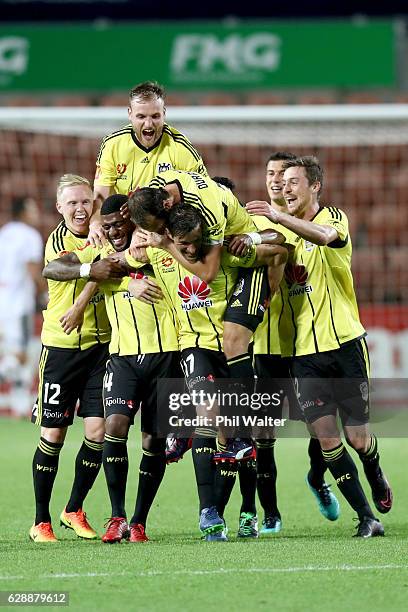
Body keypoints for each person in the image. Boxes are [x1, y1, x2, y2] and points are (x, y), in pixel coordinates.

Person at [247, 156, 392, 538]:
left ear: (315, 187)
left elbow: (326, 237)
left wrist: (278, 219)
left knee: (358, 439)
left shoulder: (334, 218)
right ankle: (366, 518)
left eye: (295, 181)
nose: (285, 187)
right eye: (282, 181)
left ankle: (374, 470)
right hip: (302, 356)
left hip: (345, 345)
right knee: (327, 438)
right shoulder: (281, 235)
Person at [125, 204, 288, 541]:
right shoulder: (157, 255)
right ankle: (208, 511)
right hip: (195, 348)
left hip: (235, 351)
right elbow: (113, 264)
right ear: (170, 237)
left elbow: (278, 252)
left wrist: (267, 293)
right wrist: (131, 279)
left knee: (239, 431)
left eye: (196, 242)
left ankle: (246, 510)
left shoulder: (223, 254)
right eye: (183, 244)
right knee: (209, 414)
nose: (191, 250)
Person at [45, 194, 179, 543]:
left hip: (166, 355)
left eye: (120, 224)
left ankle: (139, 521)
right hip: (122, 359)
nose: (114, 231)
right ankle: (117, 516)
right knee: (114, 427)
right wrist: (114, 277)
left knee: (153, 440)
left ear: (132, 222)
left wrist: (125, 270)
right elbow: (57, 268)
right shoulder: (101, 250)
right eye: (107, 227)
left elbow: (169, 263)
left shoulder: (157, 246)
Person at [29, 174, 124, 543]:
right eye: (72, 203)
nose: (80, 209)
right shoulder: (59, 239)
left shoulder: (107, 232)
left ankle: (73, 508)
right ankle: (40, 520)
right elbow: (55, 268)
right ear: (59, 208)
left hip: (101, 348)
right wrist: (89, 268)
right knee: (53, 433)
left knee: (97, 432)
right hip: (61, 348)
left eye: (85, 201)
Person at [252, 152, 339, 535]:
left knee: (321, 429)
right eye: (271, 174)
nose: (277, 182)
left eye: (284, 177)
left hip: (304, 346)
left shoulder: (307, 221)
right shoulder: (252, 220)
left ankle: (318, 478)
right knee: (263, 432)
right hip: (266, 347)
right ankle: (270, 513)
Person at [90, 81, 207, 245]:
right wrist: (94, 223)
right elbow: (100, 195)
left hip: (165, 229)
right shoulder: (112, 145)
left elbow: (204, 192)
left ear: (164, 114)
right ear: (130, 114)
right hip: (124, 228)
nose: (148, 124)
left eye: (155, 116)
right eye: (141, 116)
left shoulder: (181, 148)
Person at [0, 197, 44, 417]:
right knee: (21, 355)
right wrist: (46, 292)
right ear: (23, 212)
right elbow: (32, 268)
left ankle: (19, 406)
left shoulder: (4, 232)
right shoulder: (30, 236)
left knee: (14, 354)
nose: (36, 213)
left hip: (1, 299)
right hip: (18, 303)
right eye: (32, 208)